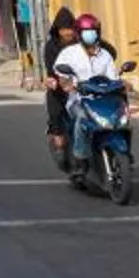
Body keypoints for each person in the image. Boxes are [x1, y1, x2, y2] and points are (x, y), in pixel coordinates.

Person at [51, 15, 122, 169]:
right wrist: (67, 84)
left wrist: (123, 84)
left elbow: (113, 77)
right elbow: (61, 74)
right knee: (82, 119)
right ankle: (80, 157)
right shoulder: (69, 53)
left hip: (103, 99)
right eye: (86, 32)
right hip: (79, 99)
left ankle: (122, 150)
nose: (91, 35)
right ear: (79, 33)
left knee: (120, 117)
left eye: (93, 31)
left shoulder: (105, 55)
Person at [40, 7, 78, 161]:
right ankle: (59, 143)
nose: (68, 32)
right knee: (55, 109)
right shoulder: (51, 46)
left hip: (81, 86)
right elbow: (51, 68)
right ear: (58, 30)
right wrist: (55, 81)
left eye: (70, 28)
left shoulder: (81, 43)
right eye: (64, 29)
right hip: (60, 87)